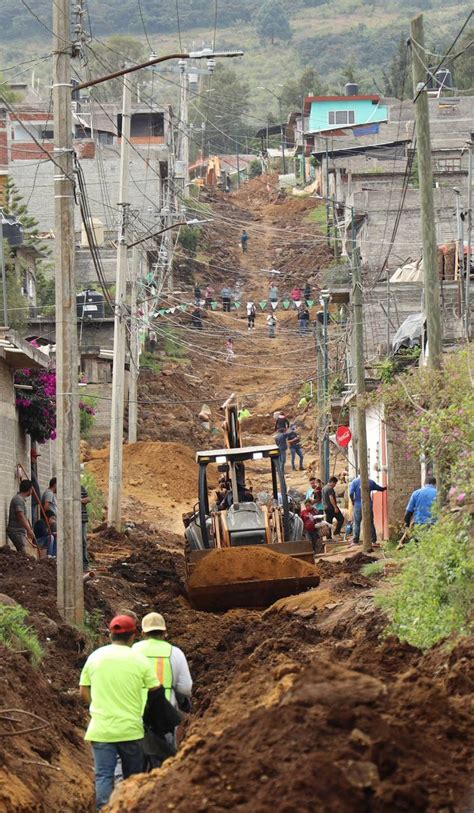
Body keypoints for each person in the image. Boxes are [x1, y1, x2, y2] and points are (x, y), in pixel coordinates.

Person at [79, 615, 160, 810]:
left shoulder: (95, 657)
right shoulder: (139, 659)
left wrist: (95, 706)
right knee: (132, 777)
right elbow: (155, 688)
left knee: (104, 775)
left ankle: (104, 809)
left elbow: (83, 689)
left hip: (101, 729)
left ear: (110, 635)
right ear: (133, 636)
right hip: (131, 730)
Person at [133, 612, 192, 709]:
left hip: (137, 714)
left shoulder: (134, 650)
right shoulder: (175, 652)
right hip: (166, 716)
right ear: (165, 633)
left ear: (143, 633)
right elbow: (185, 689)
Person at [349, 476, 387, 546]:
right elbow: (380, 489)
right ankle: (373, 541)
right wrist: (386, 487)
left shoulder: (354, 482)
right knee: (370, 523)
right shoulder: (370, 482)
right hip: (368, 505)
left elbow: (351, 493)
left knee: (357, 523)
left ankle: (355, 541)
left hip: (358, 505)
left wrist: (353, 501)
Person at [7, 480, 35, 553]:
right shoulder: (18, 499)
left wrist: (29, 529)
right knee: (23, 553)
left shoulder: (21, 500)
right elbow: (20, 515)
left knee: (22, 552)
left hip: (20, 532)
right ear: (29, 489)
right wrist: (29, 530)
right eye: (32, 489)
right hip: (16, 532)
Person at [81, 484, 91, 571]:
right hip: (70, 519)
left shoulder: (81, 488)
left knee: (83, 540)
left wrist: (79, 500)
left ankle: (85, 564)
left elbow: (88, 499)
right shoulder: (66, 488)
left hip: (82, 519)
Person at [30, 448, 41, 524]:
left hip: (35, 500)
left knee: (34, 518)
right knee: (33, 519)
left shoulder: (32, 469)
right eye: (34, 457)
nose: (35, 459)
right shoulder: (29, 469)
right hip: (32, 500)